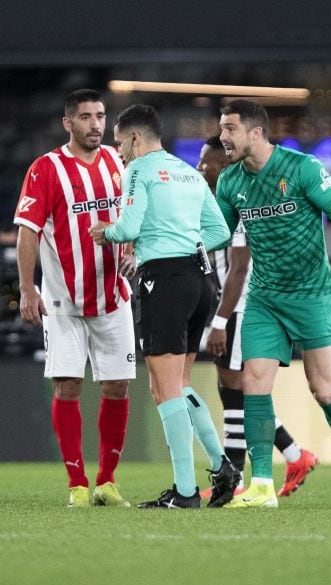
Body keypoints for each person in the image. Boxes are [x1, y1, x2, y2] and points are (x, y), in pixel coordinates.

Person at [214, 99, 331, 509]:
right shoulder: (230, 182)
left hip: (311, 295)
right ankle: (263, 485)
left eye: (230, 128)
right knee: (253, 381)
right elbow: (217, 233)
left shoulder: (302, 168)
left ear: (255, 132)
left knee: (322, 388)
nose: (222, 137)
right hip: (265, 297)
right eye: (221, 128)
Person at [89, 104, 237, 509]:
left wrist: (107, 232)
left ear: (135, 139)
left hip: (164, 282)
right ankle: (222, 466)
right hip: (199, 282)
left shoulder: (138, 170)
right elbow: (220, 230)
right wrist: (187, 242)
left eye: (119, 143)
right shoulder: (189, 172)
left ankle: (186, 491)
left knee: (166, 388)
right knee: (174, 385)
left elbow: (130, 227)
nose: (118, 152)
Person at [14, 89, 135, 509]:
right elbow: (27, 230)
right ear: (68, 123)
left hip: (114, 295)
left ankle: (106, 481)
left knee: (117, 386)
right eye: (85, 117)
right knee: (68, 386)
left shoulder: (119, 163)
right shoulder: (45, 169)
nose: (95, 124)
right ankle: (77, 484)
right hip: (63, 301)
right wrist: (28, 289)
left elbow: (135, 215)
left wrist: (134, 251)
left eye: (100, 115)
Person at [197, 135, 319, 499]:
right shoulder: (217, 202)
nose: (201, 167)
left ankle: (233, 479)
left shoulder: (238, 201)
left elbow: (238, 269)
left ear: (225, 165)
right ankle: (294, 455)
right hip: (227, 305)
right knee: (233, 389)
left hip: (239, 306)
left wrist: (219, 320)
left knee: (239, 390)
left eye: (207, 161)